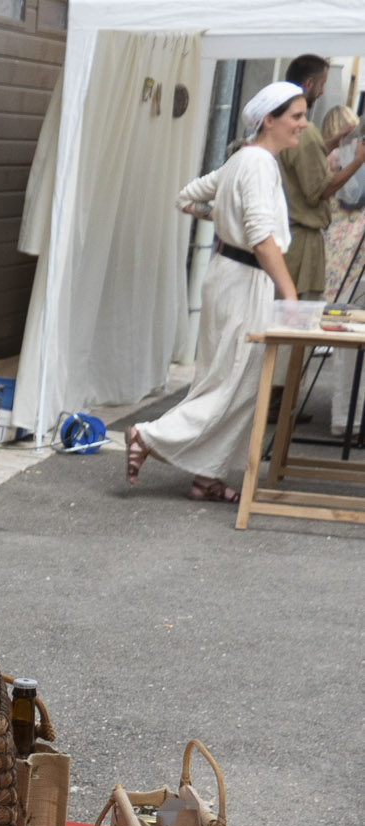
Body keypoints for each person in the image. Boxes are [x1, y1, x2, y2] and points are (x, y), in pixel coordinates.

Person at [128, 83, 306, 504]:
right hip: (246, 282)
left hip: (227, 275)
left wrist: (222, 215)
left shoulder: (243, 159)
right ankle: (149, 436)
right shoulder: (259, 163)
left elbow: (188, 198)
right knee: (235, 384)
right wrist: (291, 298)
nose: (303, 123)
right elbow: (263, 240)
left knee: (225, 378)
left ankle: (207, 476)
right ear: (270, 120)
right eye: (296, 115)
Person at [276, 57, 365, 299]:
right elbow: (320, 190)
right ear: (309, 83)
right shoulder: (305, 130)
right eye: (322, 84)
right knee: (295, 323)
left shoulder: (283, 125)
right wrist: (358, 161)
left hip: (289, 237)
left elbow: (305, 159)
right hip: (300, 244)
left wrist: (334, 141)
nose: (324, 90)